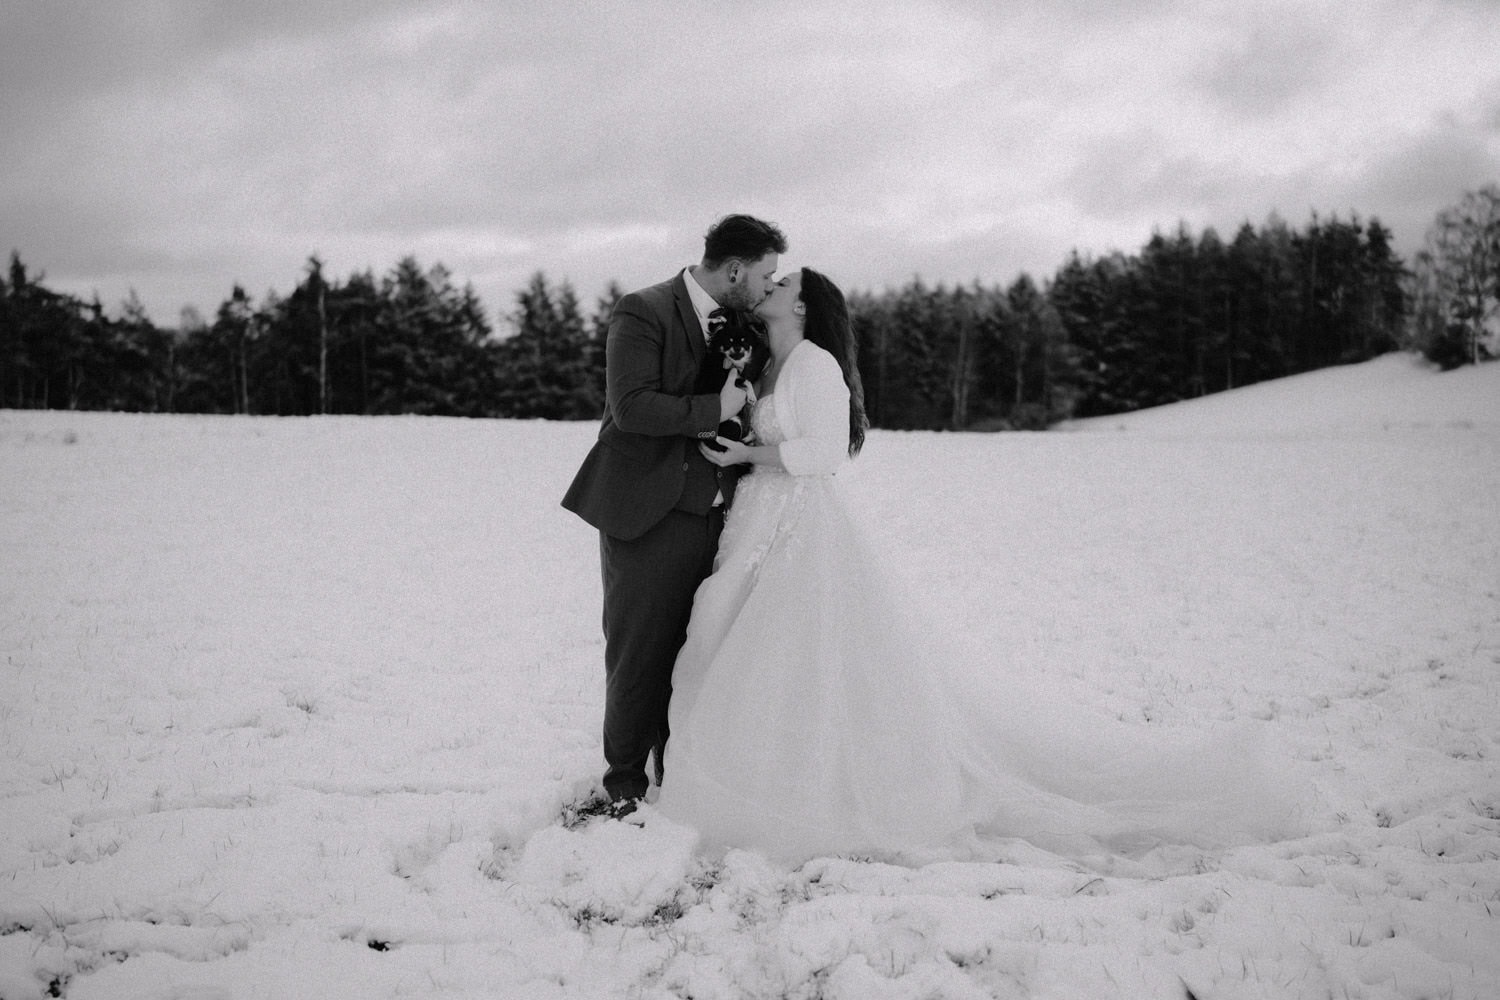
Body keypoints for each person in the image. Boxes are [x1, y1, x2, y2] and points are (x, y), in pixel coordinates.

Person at [656, 267, 1309, 864]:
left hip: (801, 527)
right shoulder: (778, 361)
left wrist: (744, 460)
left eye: (783, 280)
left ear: (802, 303)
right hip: (763, 521)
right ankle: (775, 769)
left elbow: (823, 453)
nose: (769, 284)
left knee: (797, 651)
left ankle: (802, 784)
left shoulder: (816, 363)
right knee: (768, 653)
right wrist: (737, 435)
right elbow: (778, 435)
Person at [562, 214, 787, 816]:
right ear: (734, 268)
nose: (770, 286)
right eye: (765, 274)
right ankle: (625, 787)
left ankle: (678, 777)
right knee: (641, 652)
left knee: (697, 652)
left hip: (722, 517)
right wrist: (718, 406)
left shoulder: (745, 321)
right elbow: (630, 408)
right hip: (646, 513)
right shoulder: (642, 310)